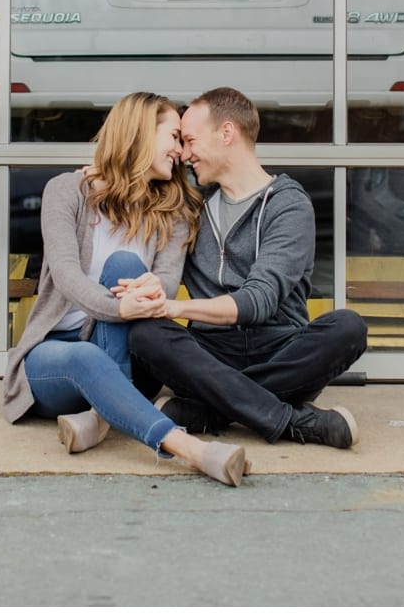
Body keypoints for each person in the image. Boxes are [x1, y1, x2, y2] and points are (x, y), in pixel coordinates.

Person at [2, 91, 250, 486]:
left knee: (125, 266)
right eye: (174, 137)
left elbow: (166, 282)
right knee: (85, 355)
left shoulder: (176, 210)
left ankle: (102, 416)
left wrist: (151, 291)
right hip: (58, 355)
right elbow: (65, 274)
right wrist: (120, 309)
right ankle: (189, 449)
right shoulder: (66, 191)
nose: (181, 152)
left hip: (127, 357)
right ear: (138, 134)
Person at [128, 87, 368, 448]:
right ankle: (290, 420)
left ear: (227, 134)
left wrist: (174, 307)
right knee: (145, 334)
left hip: (279, 347)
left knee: (347, 327)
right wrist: (100, 175)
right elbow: (126, 198)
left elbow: (258, 302)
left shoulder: (288, 205)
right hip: (208, 353)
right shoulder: (189, 208)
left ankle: (209, 411)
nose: (184, 154)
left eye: (190, 140)